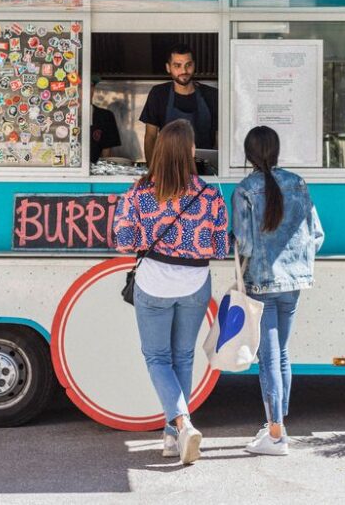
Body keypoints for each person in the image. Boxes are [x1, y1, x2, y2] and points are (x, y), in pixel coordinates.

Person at [112, 119, 229, 465]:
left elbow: (123, 241)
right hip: (195, 284)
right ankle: (172, 435)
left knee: (157, 358)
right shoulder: (210, 195)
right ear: (191, 151)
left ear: (159, 151)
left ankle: (181, 424)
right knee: (183, 357)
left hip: (154, 284)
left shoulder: (139, 192)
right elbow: (220, 247)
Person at [231, 126, 324, 456]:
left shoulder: (245, 190)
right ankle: (277, 426)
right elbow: (316, 235)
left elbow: (245, 244)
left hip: (261, 282)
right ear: (277, 150)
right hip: (294, 283)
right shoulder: (298, 183)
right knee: (281, 354)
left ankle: (274, 435)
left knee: (268, 358)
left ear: (248, 155)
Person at [139, 44, 219, 163]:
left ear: (194, 65)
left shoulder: (211, 95)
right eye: (177, 65)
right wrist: (152, 169)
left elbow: (220, 137)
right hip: (168, 166)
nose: (184, 71)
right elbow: (150, 136)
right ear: (168, 68)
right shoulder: (159, 94)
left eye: (188, 65)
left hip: (205, 166)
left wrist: (218, 168)